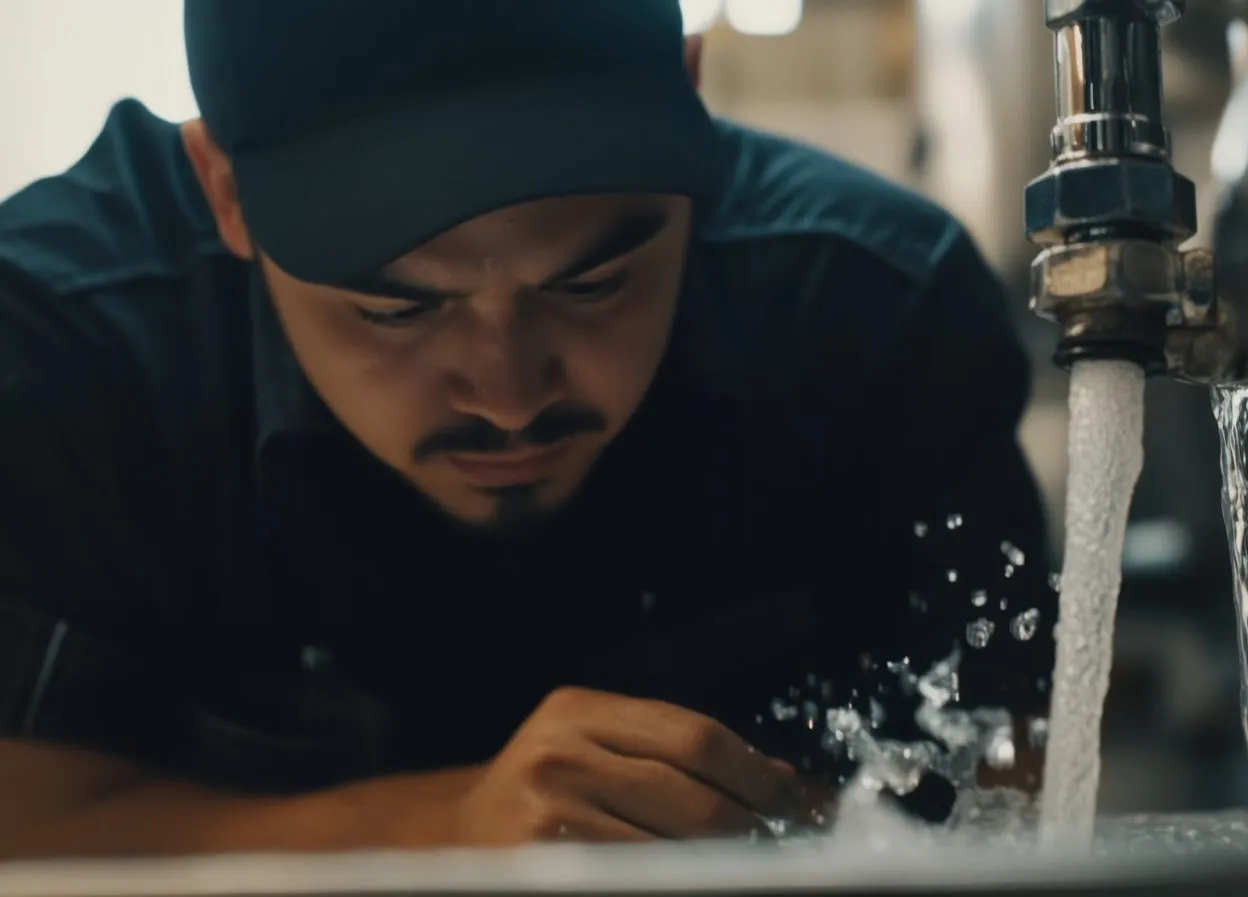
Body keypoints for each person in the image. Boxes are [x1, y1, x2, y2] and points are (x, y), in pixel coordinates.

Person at [0, 0, 1054, 857]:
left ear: (690, 100)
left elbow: (1021, 794)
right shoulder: (67, 348)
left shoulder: (867, 312)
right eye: (396, 309)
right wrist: (440, 830)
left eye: (593, 285)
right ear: (224, 188)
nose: (507, 394)